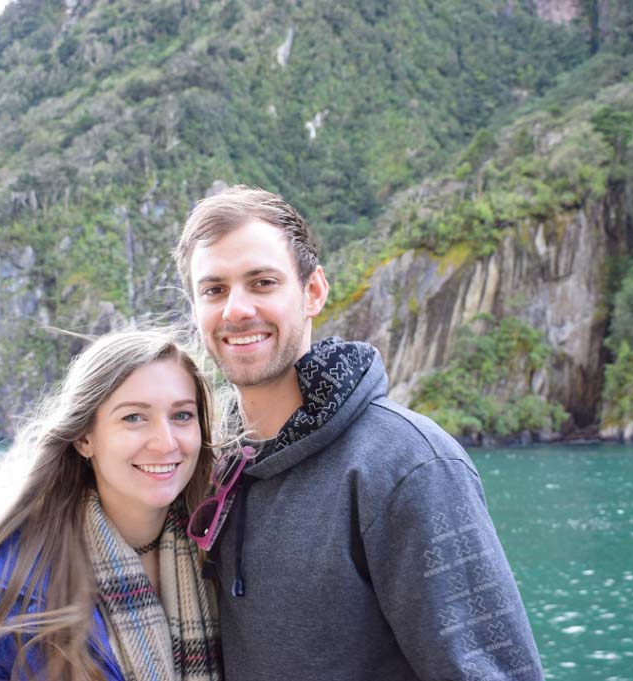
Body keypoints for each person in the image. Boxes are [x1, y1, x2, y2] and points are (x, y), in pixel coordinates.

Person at [174, 186, 545, 681]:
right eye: (214, 289)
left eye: (262, 282)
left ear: (313, 292)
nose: (236, 310)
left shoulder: (409, 465)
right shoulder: (214, 465)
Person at [0, 329, 223, 681]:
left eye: (182, 416)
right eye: (133, 417)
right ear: (84, 438)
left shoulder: (221, 555)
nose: (165, 442)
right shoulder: (5, 590)